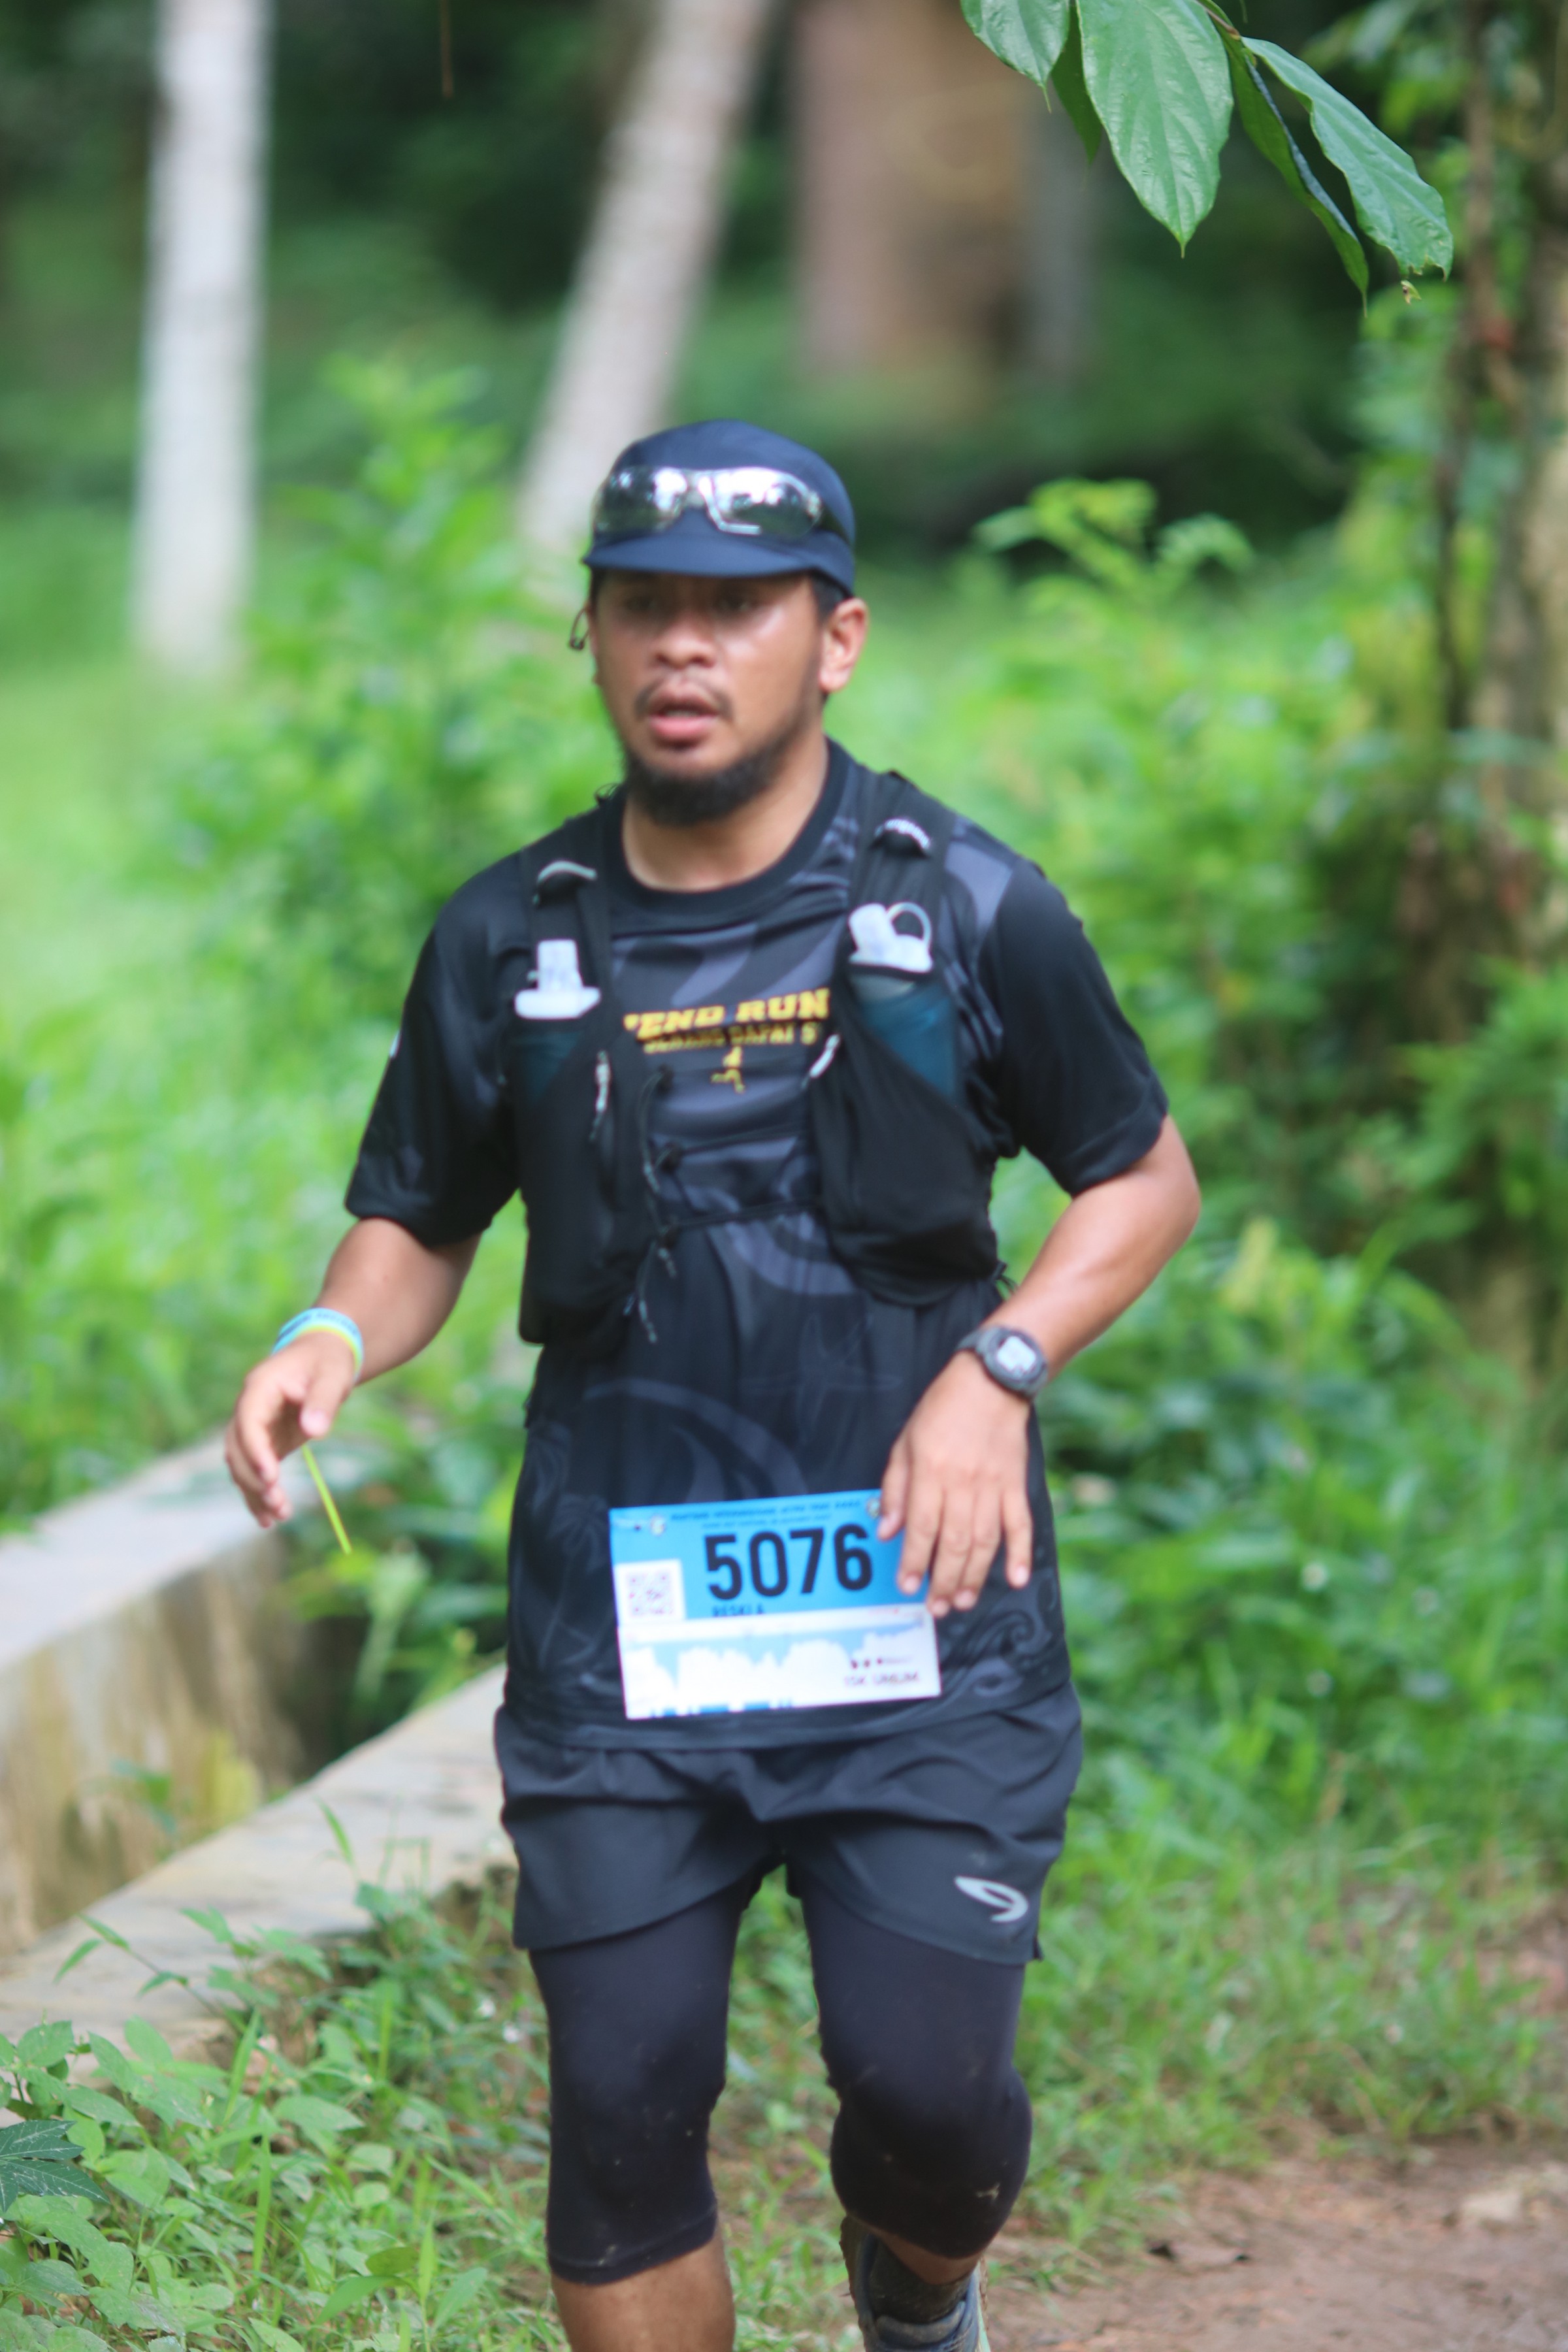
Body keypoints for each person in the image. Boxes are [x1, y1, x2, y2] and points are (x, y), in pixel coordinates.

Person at [225, 417, 1200, 2352]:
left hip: (920, 1624)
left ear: (835, 640)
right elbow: (417, 1217)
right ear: (592, 636)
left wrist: (1001, 1365)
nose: (686, 645)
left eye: (739, 609)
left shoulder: (969, 905)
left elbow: (1142, 1180)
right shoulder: (507, 937)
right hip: (626, 1639)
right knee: (620, 2115)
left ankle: (918, 2296)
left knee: (932, 2113)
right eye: (645, 605)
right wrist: (325, 1337)